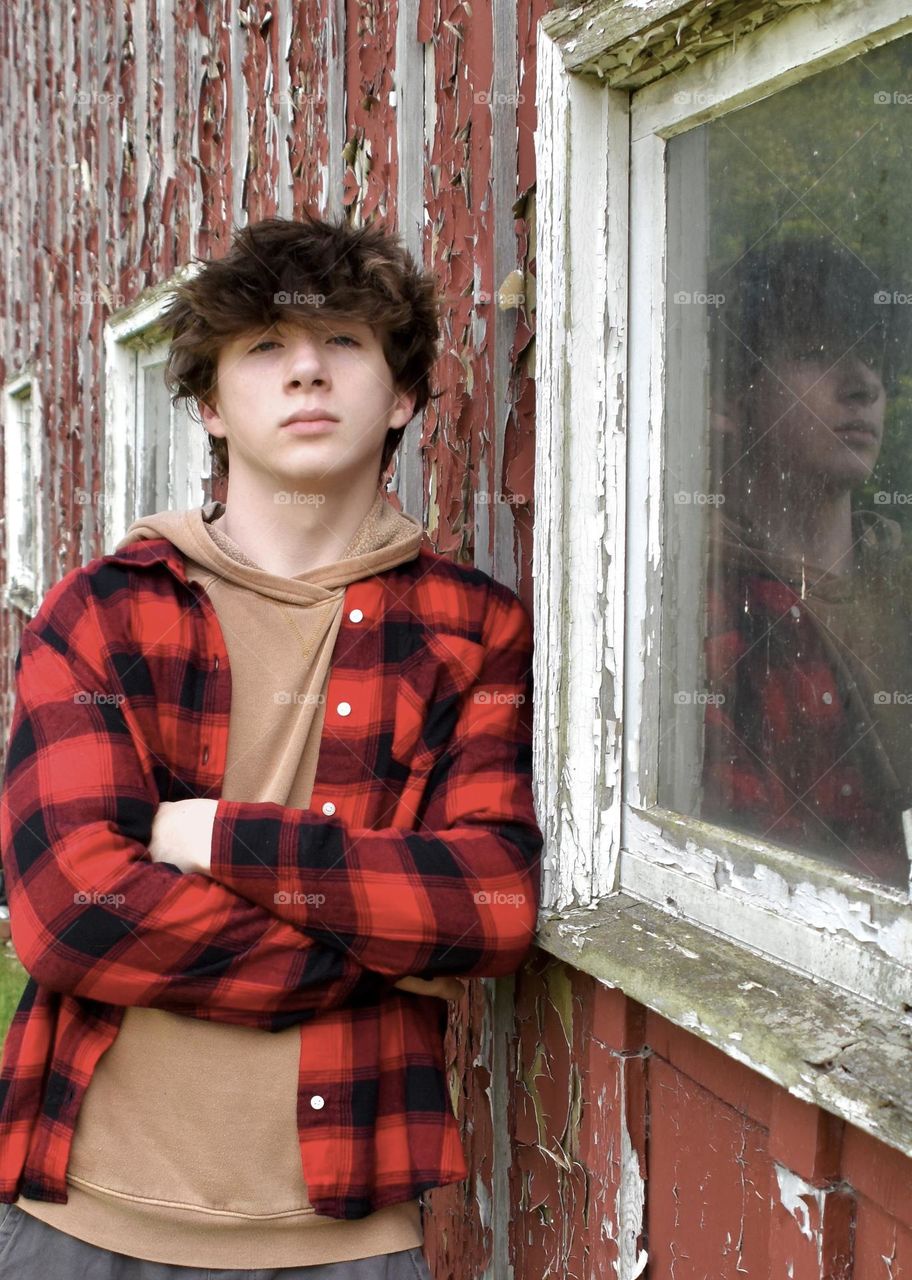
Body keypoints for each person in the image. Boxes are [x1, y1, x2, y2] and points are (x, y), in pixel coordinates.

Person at [0, 212, 543, 1277]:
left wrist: (216, 839)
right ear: (209, 402)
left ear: (401, 394)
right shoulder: (102, 610)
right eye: (264, 348)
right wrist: (377, 947)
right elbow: (71, 917)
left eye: (344, 343)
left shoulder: (473, 628)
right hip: (86, 1213)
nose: (305, 370)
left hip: (341, 1233)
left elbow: (492, 902)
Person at [700, 236, 912, 889]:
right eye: (817, 355)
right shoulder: (705, 607)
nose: (863, 384)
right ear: (732, 404)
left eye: (873, 358)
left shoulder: (900, 588)